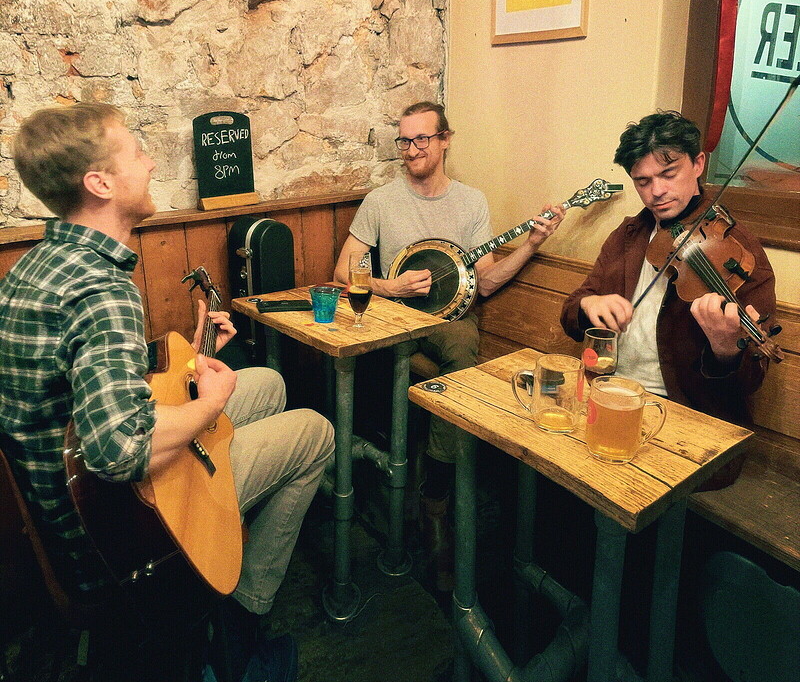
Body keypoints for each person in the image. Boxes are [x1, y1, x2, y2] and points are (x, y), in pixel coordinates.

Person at [0, 103, 334, 681]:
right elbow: (119, 453)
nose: (151, 161)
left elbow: (96, 392)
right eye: (136, 151)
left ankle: (225, 530)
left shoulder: (40, 266)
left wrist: (196, 361)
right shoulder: (102, 290)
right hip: (115, 533)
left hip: (65, 508)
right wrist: (208, 405)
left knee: (271, 384)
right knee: (316, 433)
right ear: (99, 183)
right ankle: (241, 614)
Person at [333, 101, 564, 590]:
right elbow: (342, 272)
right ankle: (385, 483)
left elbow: (484, 283)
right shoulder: (381, 200)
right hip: (391, 315)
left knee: (462, 358)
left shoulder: (471, 203)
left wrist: (531, 244)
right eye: (404, 141)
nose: (411, 150)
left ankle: (435, 497)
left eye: (421, 140)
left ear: (444, 141)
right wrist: (390, 288)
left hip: (448, 319)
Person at [560, 110, 777, 429]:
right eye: (643, 181)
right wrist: (588, 305)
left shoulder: (738, 250)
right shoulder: (628, 235)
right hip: (610, 393)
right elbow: (572, 310)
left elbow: (750, 381)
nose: (656, 191)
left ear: (698, 164)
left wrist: (726, 350)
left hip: (686, 415)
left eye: (669, 173)